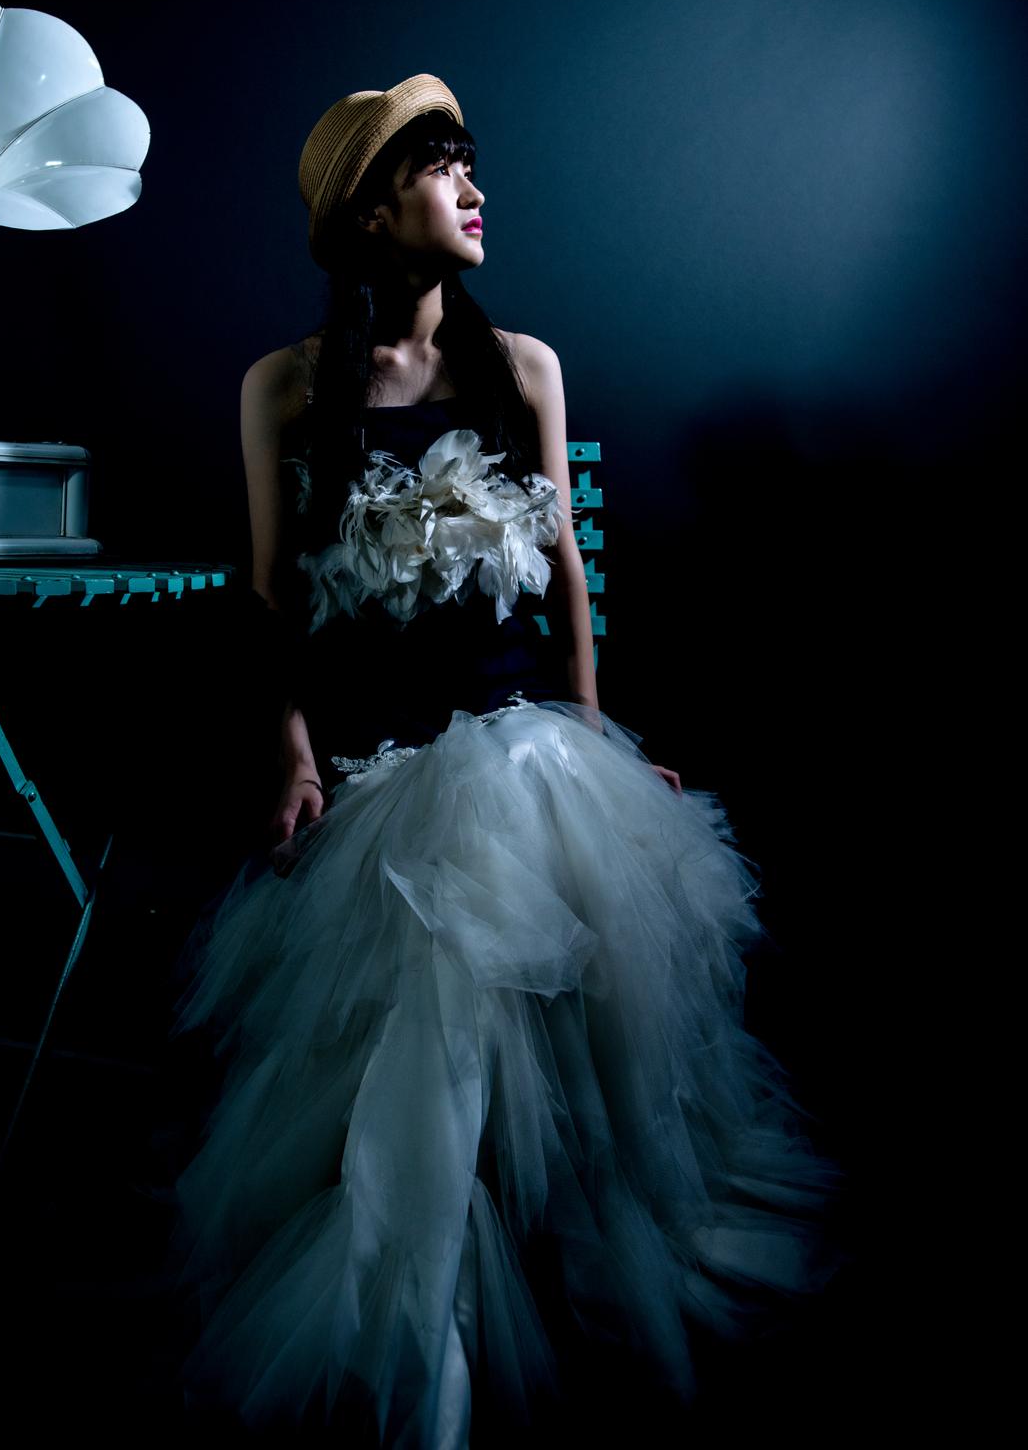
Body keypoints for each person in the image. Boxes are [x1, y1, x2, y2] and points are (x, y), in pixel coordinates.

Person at [169, 75, 845, 1447]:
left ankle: (505, 1309)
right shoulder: (286, 387)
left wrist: (593, 729)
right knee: (427, 978)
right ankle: (426, 1330)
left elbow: (567, 567)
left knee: (517, 908)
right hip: (379, 760)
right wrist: (293, 755)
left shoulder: (522, 365)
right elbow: (271, 591)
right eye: (440, 167)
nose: (475, 189)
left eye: (470, 162)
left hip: (522, 745)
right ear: (371, 212)